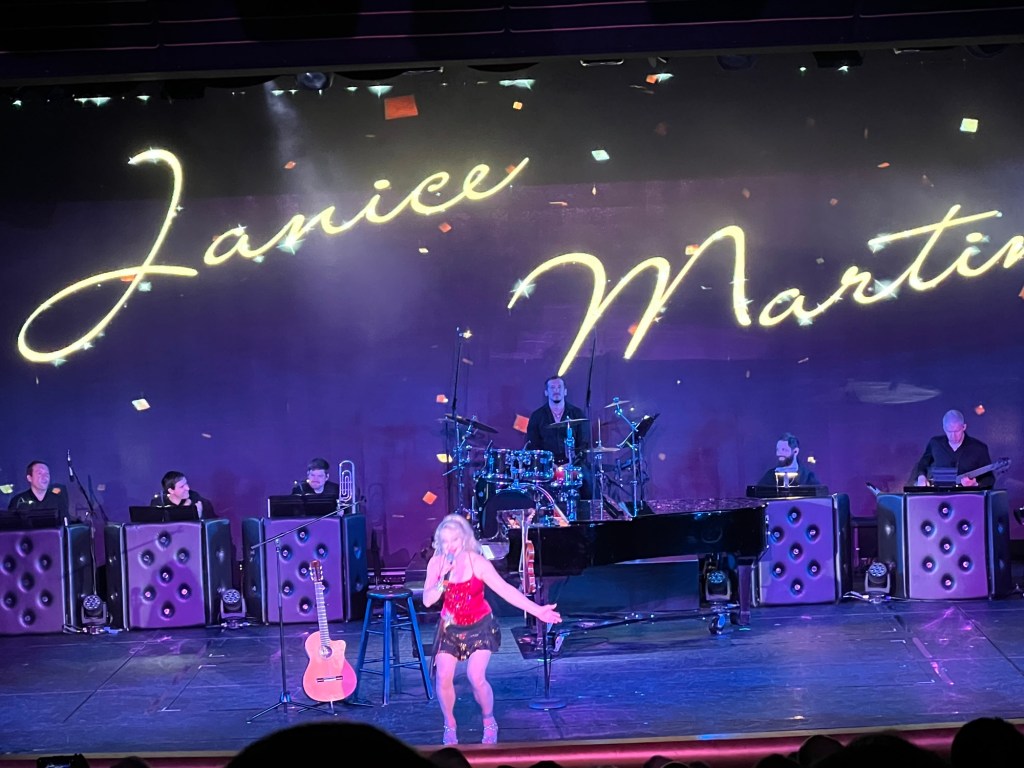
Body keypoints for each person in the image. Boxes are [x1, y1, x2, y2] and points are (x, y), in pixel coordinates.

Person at [422, 514, 562, 747]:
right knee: (443, 677)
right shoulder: (436, 564)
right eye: (445, 541)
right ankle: (450, 725)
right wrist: (443, 580)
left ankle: (489, 720)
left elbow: (505, 590)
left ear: (463, 539)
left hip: (480, 626)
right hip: (450, 627)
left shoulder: (477, 562)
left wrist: (537, 611)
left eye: (454, 540)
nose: (450, 546)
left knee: (475, 676)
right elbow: (428, 601)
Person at [525, 376, 592, 502]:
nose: (556, 390)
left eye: (559, 387)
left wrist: (571, 463)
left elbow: (584, 444)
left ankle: (587, 510)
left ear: (565, 391)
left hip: (573, 462)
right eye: (552, 387)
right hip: (547, 464)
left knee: (589, 480)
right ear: (546, 392)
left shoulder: (577, 414)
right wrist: (550, 463)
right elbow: (533, 444)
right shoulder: (537, 416)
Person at [913, 409, 994, 488]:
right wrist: (921, 476)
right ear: (944, 428)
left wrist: (975, 484)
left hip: (968, 495)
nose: (953, 436)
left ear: (964, 427)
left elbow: (990, 479)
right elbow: (923, 464)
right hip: (940, 494)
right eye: (949, 431)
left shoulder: (979, 448)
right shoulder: (935, 443)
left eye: (956, 431)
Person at [754, 433, 820, 487]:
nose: (778, 454)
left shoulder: (807, 476)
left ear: (795, 451)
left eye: (783, 450)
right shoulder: (770, 475)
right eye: (778, 450)